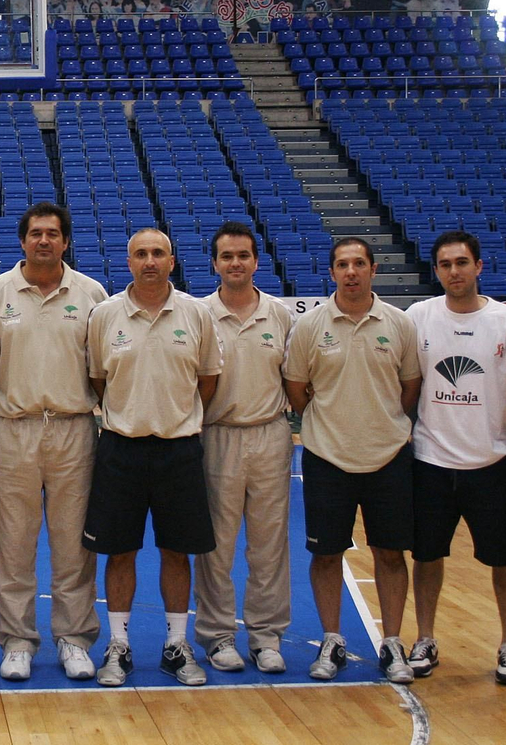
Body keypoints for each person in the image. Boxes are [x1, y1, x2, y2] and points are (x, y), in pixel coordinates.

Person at [84, 228, 222, 688]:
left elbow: (207, 379)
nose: (149, 261)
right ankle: (118, 645)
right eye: (140, 253)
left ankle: (176, 644)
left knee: (176, 551)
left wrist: (174, 415)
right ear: (129, 262)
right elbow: (98, 380)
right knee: (119, 551)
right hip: (120, 447)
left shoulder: (197, 314)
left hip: (179, 448)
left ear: (172, 260)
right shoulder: (105, 315)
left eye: (157, 253)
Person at [0, 203, 107, 682]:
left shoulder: (92, 293)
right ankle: (16, 640)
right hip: (14, 426)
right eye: (36, 233)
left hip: (74, 427)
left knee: (74, 541)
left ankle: (74, 638)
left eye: (53, 234)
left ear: (66, 241)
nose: (44, 241)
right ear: (23, 240)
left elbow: (103, 364)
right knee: (13, 541)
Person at [284, 236, 422, 683]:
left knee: (390, 552)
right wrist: (328, 423)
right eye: (342, 264)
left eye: (359, 263)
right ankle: (331, 639)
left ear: (373, 270)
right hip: (327, 457)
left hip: (389, 457)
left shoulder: (399, 324)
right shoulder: (310, 327)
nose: (351, 272)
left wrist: (381, 422)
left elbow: (409, 387)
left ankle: (393, 642)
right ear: (332, 273)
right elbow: (297, 389)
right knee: (327, 555)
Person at [403, 231, 506, 686]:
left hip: (493, 463)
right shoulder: (418, 316)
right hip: (431, 461)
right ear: (436, 271)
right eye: (445, 264)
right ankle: (426, 637)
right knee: (427, 557)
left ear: (478, 266)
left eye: (461, 262)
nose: (454, 272)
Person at [192, 221, 293, 675]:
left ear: (256, 261)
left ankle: (267, 636)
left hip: (270, 433)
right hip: (217, 435)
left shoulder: (281, 316)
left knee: (270, 544)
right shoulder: (196, 315)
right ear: (214, 264)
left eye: (243, 255)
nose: (236, 263)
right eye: (227, 256)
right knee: (217, 545)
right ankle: (217, 635)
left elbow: (296, 379)